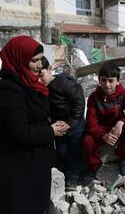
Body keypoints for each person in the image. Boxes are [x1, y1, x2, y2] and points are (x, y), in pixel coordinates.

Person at [0, 35, 68, 214]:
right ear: (19, 59)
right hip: (14, 166)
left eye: (41, 59)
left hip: (31, 163)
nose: (39, 65)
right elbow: (19, 132)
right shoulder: (8, 89)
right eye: (34, 60)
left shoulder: (30, 82)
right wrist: (50, 131)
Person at [82, 61, 125, 186]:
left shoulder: (122, 94)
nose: (107, 85)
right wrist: (103, 135)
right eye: (103, 80)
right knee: (87, 140)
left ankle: (123, 157)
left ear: (118, 81)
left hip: (116, 129)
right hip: (101, 130)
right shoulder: (93, 97)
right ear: (99, 80)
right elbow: (91, 124)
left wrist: (121, 122)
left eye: (111, 81)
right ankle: (94, 166)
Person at [40, 56, 85, 189]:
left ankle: (72, 178)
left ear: (49, 69)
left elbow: (79, 101)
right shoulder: (42, 88)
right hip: (59, 127)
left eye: (41, 75)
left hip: (75, 125)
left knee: (74, 152)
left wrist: (71, 123)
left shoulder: (64, 82)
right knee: (61, 151)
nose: (39, 79)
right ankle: (62, 175)